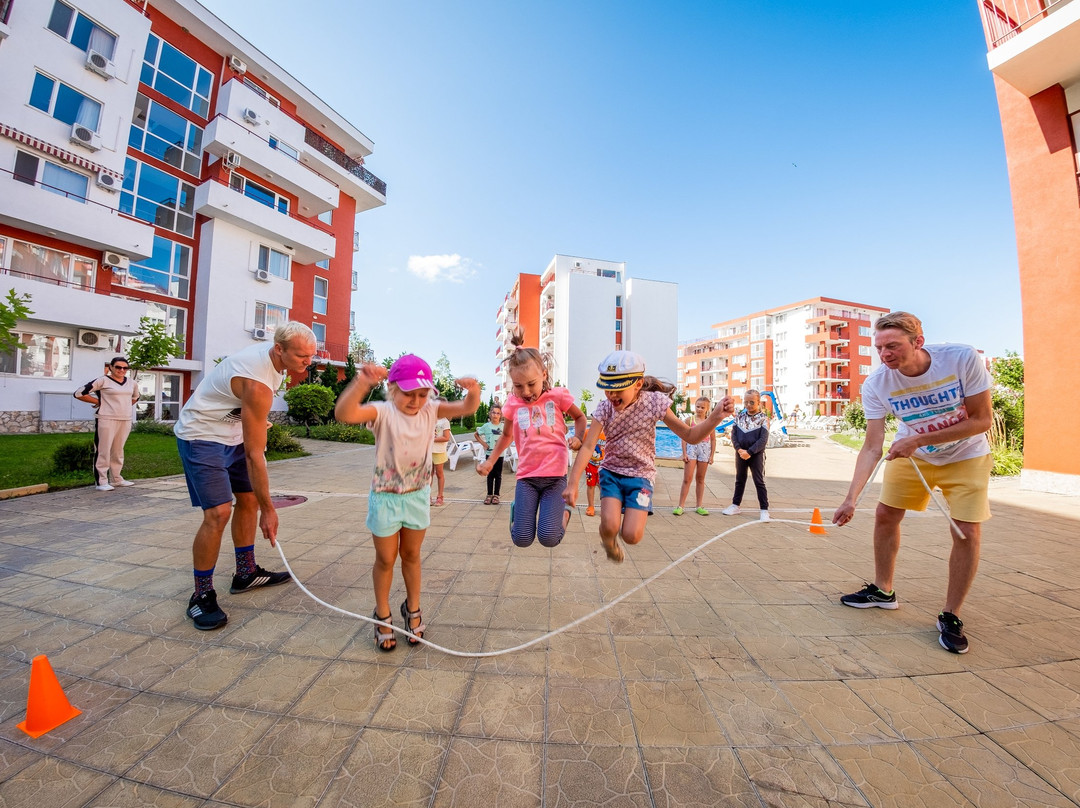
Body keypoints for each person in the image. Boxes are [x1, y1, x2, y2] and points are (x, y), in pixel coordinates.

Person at [832, 311, 993, 655]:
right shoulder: (877, 384)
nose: (884, 354)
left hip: (966, 455)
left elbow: (982, 420)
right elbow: (872, 446)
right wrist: (850, 499)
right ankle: (883, 590)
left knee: (966, 530)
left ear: (918, 342)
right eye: (879, 347)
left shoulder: (961, 358)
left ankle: (951, 614)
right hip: (913, 456)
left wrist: (919, 439)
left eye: (892, 346)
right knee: (885, 515)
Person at [174, 322, 317, 631]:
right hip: (202, 435)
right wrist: (270, 509)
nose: (308, 362)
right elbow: (255, 455)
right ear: (279, 349)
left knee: (248, 500)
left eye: (311, 355)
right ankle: (201, 595)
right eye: (301, 356)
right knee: (218, 512)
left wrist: (253, 419)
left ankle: (246, 573)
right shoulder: (257, 381)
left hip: (232, 433)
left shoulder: (275, 363)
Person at [336, 355, 480, 651]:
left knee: (412, 555)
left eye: (422, 394)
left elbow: (467, 407)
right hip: (385, 497)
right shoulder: (382, 411)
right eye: (408, 393)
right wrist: (362, 383)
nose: (415, 401)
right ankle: (382, 614)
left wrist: (474, 390)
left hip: (417, 496)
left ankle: (412, 608)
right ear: (392, 389)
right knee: (386, 559)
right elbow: (344, 414)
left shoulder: (431, 410)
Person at [565, 351, 734, 563]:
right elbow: (589, 446)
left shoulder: (654, 403)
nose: (611, 395)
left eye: (618, 389)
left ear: (638, 384)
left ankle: (619, 534)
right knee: (609, 526)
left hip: (641, 477)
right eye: (607, 389)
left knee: (632, 536)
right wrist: (573, 484)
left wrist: (716, 417)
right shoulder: (605, 408)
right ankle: (608, 540)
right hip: (611, 474)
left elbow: (690, 436)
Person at [476, 328, 586, 548]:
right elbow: (506, 435)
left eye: (531, 384)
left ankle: (564, 514)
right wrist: (490, 461)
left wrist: (578, 437)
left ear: (544, 375)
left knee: (548, 538)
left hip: (555, 478)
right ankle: (519, 514)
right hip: (527, 478)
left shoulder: (557, 396)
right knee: (522, 539)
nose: (525, 392)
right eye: (518, 386)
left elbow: (580, 417)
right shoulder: (513, 404)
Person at [74, 356, 140, 491]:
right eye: (118, 367)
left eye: (125, 368)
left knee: (118, 450)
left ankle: (116, 479)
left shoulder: (132, 383)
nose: (122, 370)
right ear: (111, 367)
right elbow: (79, 393)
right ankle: (101, 481)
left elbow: (136, 397)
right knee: (103, 450)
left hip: (125, 419)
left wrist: (124, 406)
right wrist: (99, 402)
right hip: (106, 418)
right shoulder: (103, 381)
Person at [721, 389, 771, 521]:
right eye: (746, 402)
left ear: (759, 402)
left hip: (756, 455)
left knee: (759, 481)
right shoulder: (739, 417)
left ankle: (764, 509)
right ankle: (735, 505)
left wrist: (750, 452)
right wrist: (739, 450)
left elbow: (763, 440)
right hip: (740, 454)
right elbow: (734, 435)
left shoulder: (763, 419)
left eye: (752, 402)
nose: (748, 405)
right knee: (740, 479)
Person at [674, 397, 716, 516]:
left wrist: (711, 456)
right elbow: (684, 436)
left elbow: (713, 439)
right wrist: (684, 453)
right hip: (692, 448)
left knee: (700, 478)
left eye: (702, 407)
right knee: (687, 478)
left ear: (707, 409)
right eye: (698, 406)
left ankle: (699, 506)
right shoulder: (689, 420)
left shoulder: (709, 422)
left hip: (704, 450)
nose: (699, 409)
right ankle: (680, 506)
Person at [474, 405, 504, 504]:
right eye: (494, 412)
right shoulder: (486, 426)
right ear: (490, 414)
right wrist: (484, 444)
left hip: (499, 455)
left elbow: (509, 437)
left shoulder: (503, 427)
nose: (495, 415)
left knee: (498, 475)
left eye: (498, 413)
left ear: (501, 415)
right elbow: (476, 434)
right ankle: (489, 494)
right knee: (490, 475)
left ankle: (496, 495)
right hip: (489, 454)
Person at [430, 402, 451, 506]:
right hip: (428, 451)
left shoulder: (444, 421)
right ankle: (427, 496)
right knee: (428, 475)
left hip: (439, 451)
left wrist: (432, 439)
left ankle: (440, 496)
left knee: (439, 473)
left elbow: (446, 437)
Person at [584, 425, 606, 517]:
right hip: (590, 464)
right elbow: (583, 447)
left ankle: (604, 508)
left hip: (603, 465)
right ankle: (591, 506)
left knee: (602, 486)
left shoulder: (607, 433)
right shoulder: (587, 432)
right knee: (590, 485)